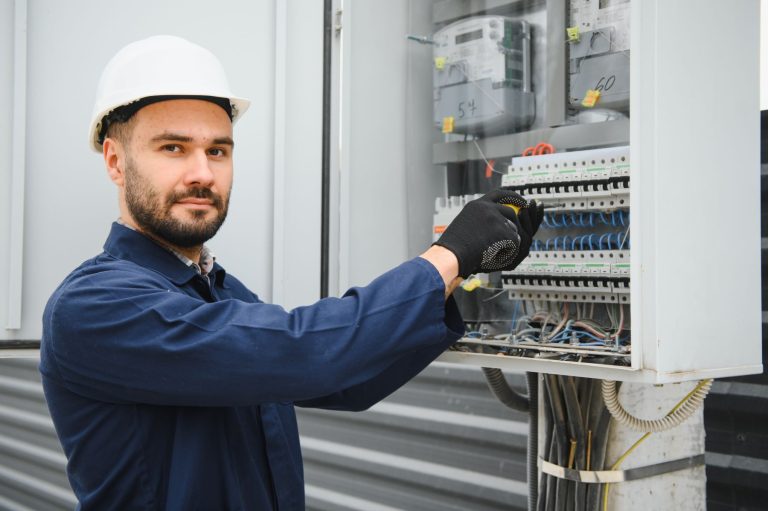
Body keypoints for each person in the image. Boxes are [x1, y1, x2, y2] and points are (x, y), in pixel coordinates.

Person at [39, 35, 543, 510]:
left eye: (218, 150)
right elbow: (304, 352)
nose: (202, 172)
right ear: (115, 161)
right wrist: (448, 255)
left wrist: (464, 268)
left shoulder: (222, 292)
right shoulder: (94, 306)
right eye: (172, 148)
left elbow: (346, 382)